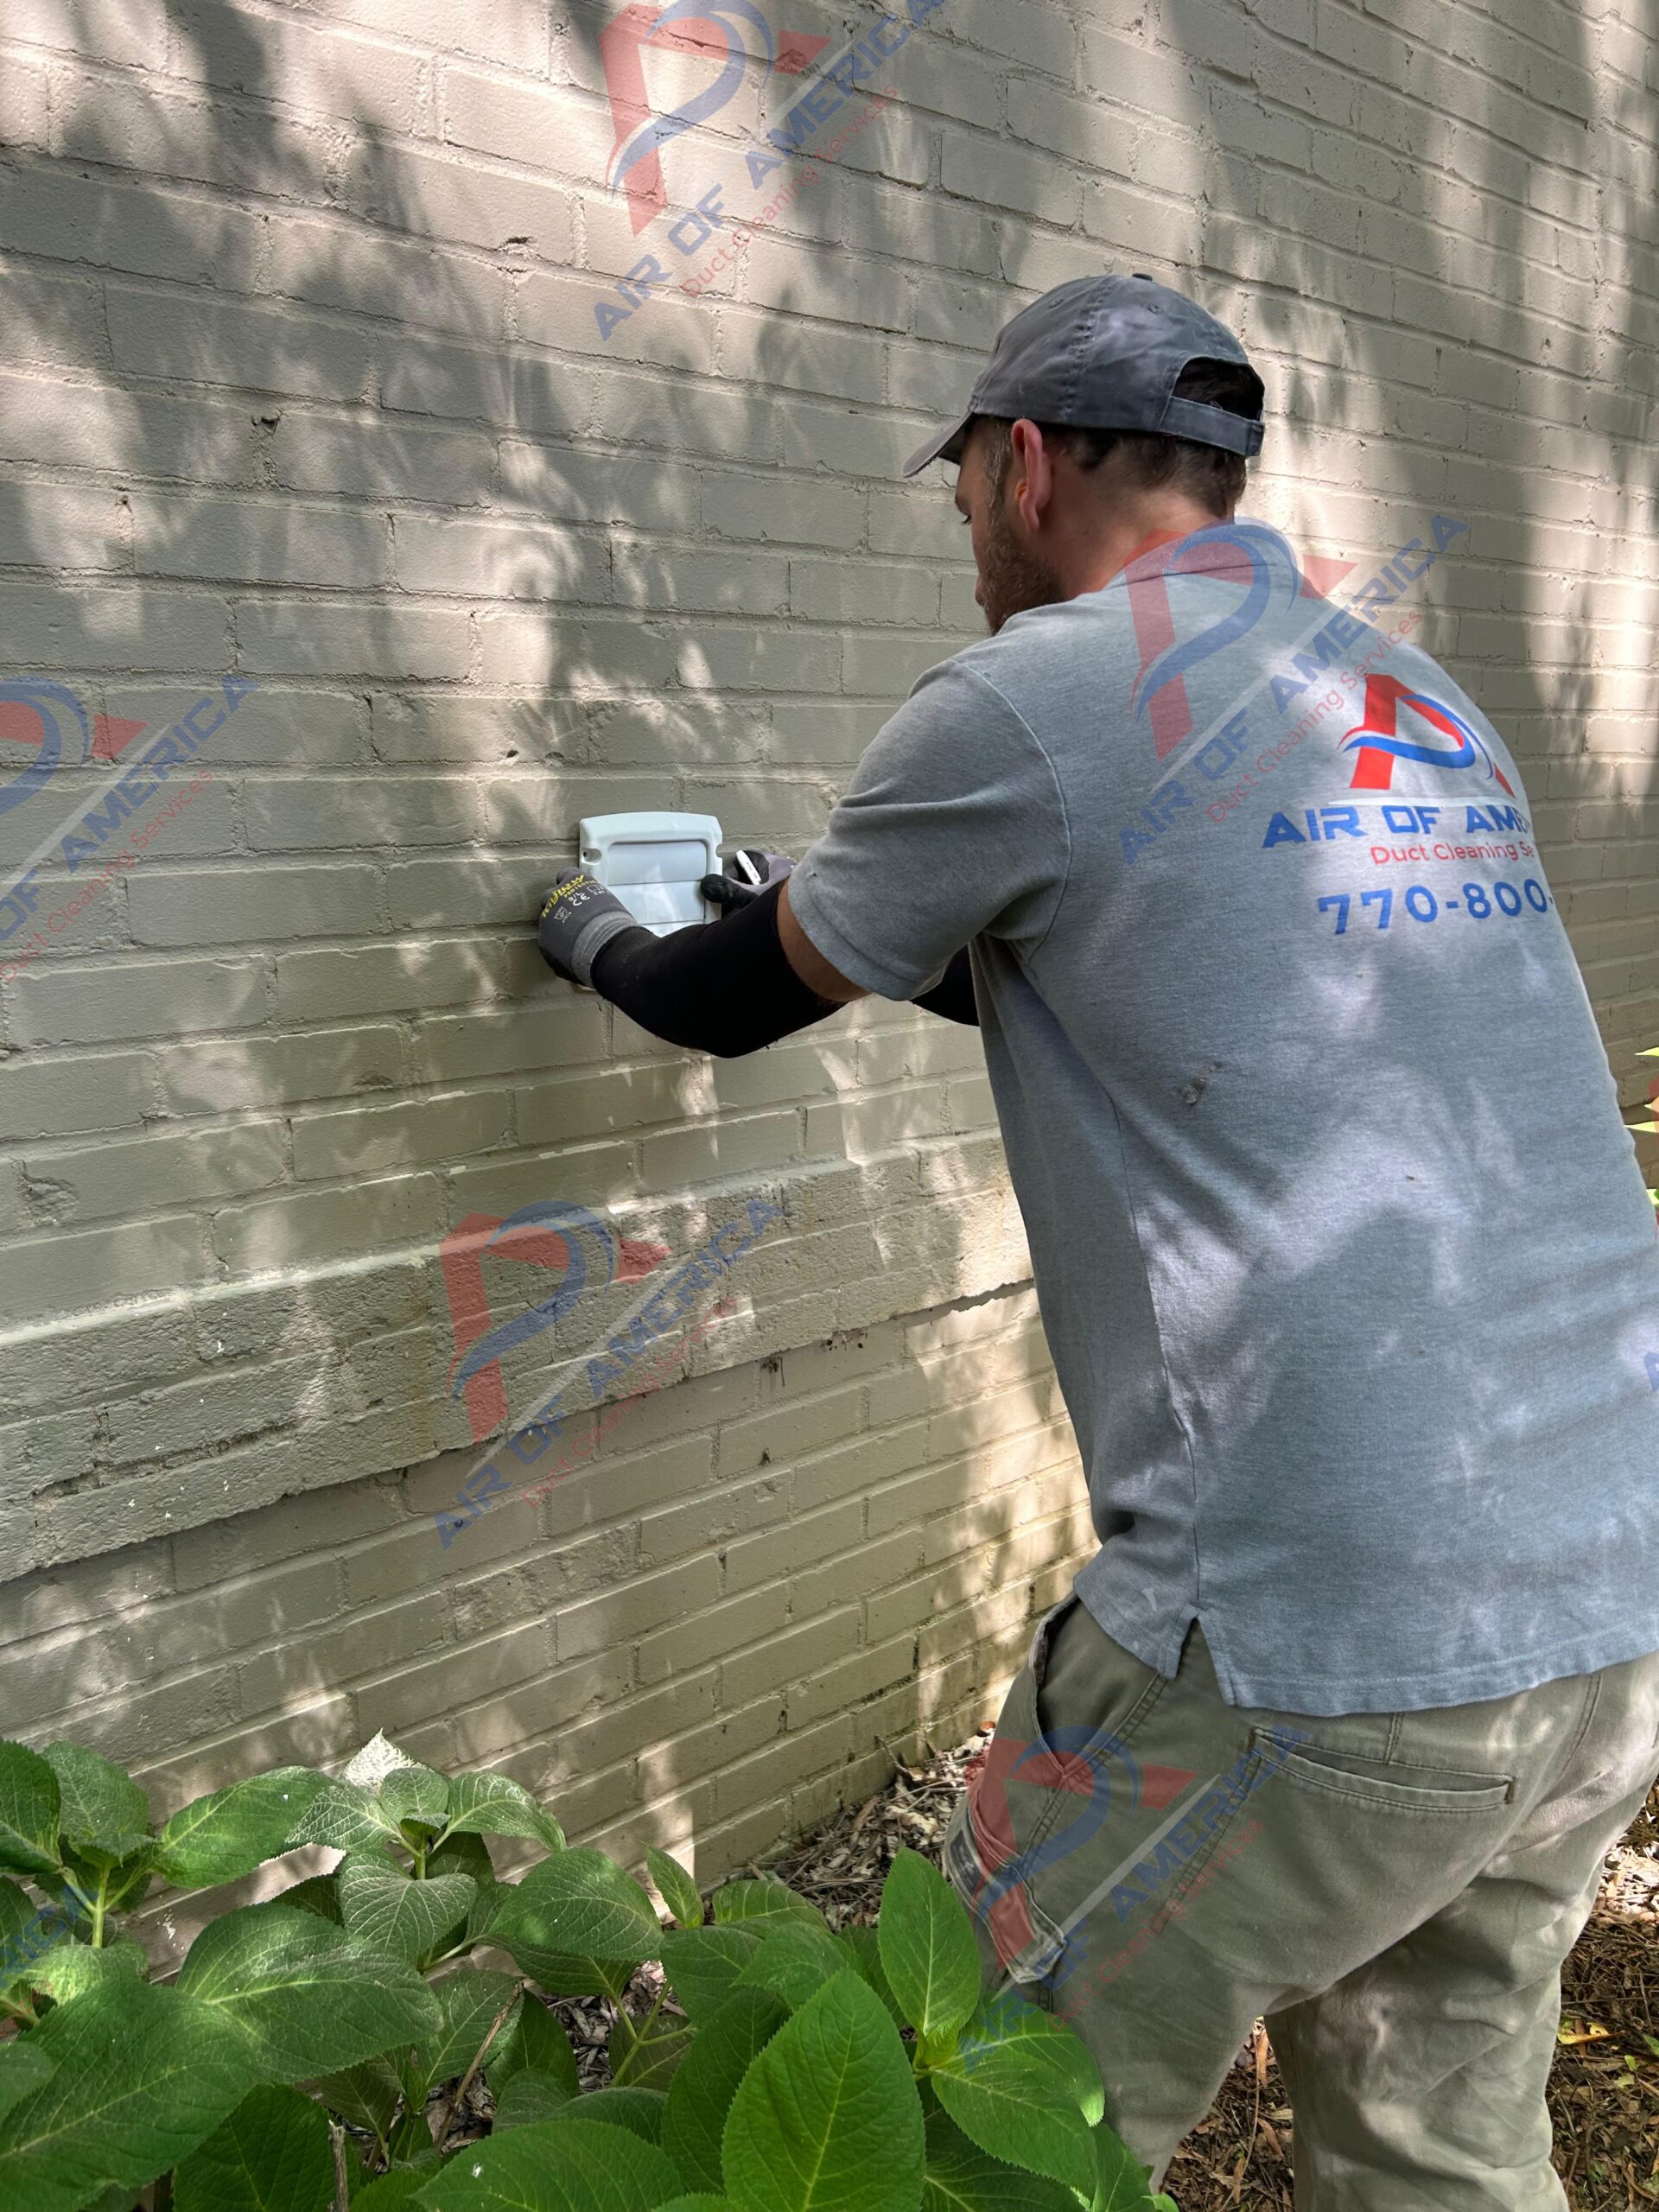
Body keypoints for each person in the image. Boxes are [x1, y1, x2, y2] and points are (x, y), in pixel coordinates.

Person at [535, 270, 1659, 2203]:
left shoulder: (1032, 694)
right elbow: (1175, 979)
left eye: (965, 483)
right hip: (1606, 1601)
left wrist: (597, 938)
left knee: (958, 2126)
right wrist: (863, 908)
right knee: (1435, 2148)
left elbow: (723, 1003)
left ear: (1027, 464)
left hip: (1320, 1634)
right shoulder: (1399, 695)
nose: (967, 529)